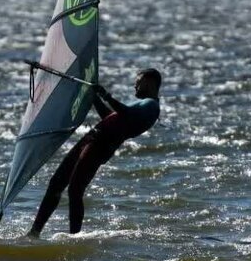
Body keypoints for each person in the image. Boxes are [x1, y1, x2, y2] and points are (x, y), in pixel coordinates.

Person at [27, 68, 162, 237]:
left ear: (149, 82)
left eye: (138, 81)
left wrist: (107, 96)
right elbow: (110, 116)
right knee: (56, 183)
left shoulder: (151, 106)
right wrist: (94, 97)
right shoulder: (143, 105)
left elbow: (127, 113)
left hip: (101, 144)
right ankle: (34, 232)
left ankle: (74, 237)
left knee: (75, 189)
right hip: (91, 139)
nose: (135, 85)